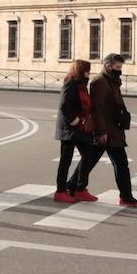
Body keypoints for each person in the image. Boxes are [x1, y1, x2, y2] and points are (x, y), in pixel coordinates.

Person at [71, 53, 137, 207]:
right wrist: (102, 132)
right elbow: (97, 109)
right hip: (107, 132)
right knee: (119, 164)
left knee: (90, 160)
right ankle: (125, 197)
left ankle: (73, 186)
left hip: (112, 131)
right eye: (117, 67)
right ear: (108, 65)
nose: (120, 70)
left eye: (120, 67)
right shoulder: (100, 82)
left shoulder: (111, 81)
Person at [54, 59, 95, 204]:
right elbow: (64, 106)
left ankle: (79, 189)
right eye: (86, 70)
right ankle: (60, 191)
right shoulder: (71, 83)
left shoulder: (81, 84)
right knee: (66, 160)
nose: (88, 73)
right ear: (79, 70)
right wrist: (78, 121)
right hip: (69, 128)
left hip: (79, 129)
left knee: (88, 155)